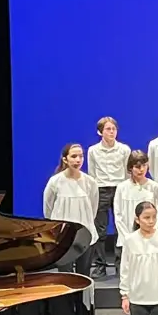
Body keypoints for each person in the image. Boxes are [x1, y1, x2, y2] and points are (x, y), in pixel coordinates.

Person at [44, 143, 99, 277]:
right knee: (65, 276)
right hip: (63, 237)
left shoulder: (90, 182)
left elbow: (93, 208)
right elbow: (48, 208)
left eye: (81, 156)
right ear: (65, 159)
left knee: (84, 276)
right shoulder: (55, 181)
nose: (78, 160)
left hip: (85, 235)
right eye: (74, 156)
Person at [86, 116, 130, 276]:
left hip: (119, 189)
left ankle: (120, 264)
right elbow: (92, 173)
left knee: (121, 227)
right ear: (100, 132)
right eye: (108, 129)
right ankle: (100, 265)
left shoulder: (124, 149)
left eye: (114, 129)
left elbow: (127, 172)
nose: (112, 132)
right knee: (100, 229)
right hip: (101, 189)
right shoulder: (93, 150)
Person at [114, 151, 158, 262]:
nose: (141, 170)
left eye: (144, 165)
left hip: (149, 239)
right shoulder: (122, 188)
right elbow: (118, 214)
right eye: (137, 167)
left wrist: (151, 233)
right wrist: (128, 237)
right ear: (130, 168)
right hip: (126, 239)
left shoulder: (154, 187)